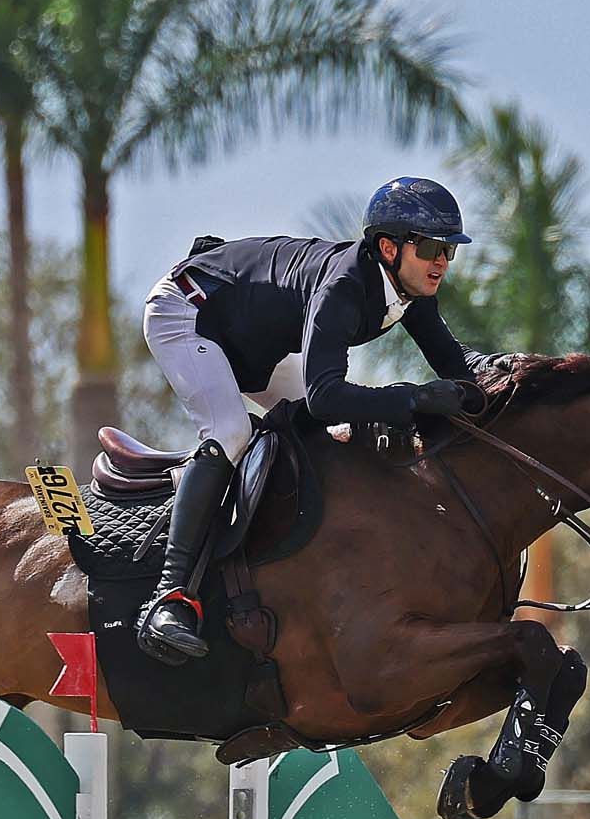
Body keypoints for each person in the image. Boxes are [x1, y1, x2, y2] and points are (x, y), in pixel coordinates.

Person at [135, 176, 479, 664]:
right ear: (388, 247)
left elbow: (455, 363)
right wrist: (411, 398)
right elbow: (324, 395)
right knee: (231, 431)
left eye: (448, 249)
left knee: (324, 440)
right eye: (430, 247)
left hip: (254, 340)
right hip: (188, 312)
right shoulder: (344, 287)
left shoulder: (412, 289)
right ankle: (169, 599)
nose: (442, 260)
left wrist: (501, 379)